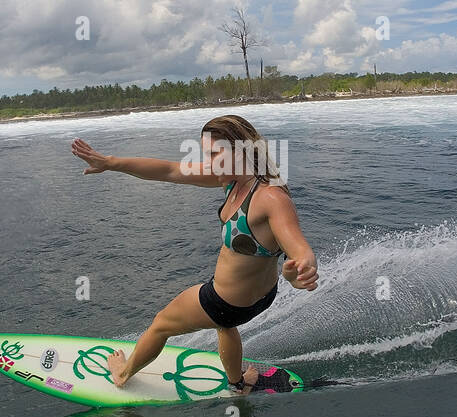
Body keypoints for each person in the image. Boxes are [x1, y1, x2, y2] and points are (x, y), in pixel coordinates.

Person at [70, 114, 318, 393]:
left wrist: (300, 271)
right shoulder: (235, 180)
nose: (209, 162)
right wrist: (110, 163)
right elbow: (170, 171)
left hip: (225, 301)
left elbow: (300, 250)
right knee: (224, 326)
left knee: (161, 324)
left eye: (215, 154)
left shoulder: (270, 197)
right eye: (206, 154)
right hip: (258, 299)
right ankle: (237, 383)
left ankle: (123, 374)